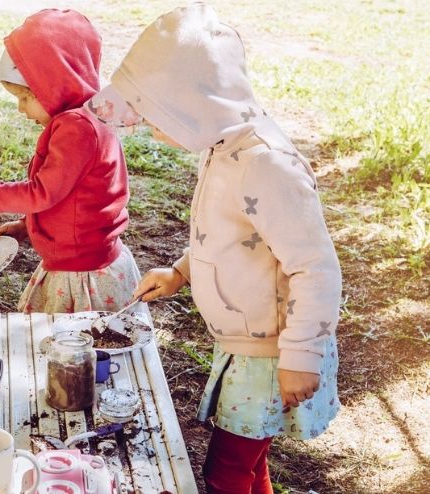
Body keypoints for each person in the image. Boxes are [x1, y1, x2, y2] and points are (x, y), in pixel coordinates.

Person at [85, 4, 342, 493]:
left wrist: (300, 356)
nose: (146, 125)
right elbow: (231, 237)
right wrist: (182, 271)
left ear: (195, 105)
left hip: (273, 350)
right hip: (248, 344)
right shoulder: (223, 145)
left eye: (155, 114)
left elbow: (316, 268)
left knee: (227, 471)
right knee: (249, 461)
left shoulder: (267, 167)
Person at [0, 9, 145, 315]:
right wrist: (29, 225)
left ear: (54, 85)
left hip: (82, 274)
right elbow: (75, 198)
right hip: (82, 259)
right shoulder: (84, 119)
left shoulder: (77, 129)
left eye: (25, 98)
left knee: (74, 348)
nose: (20, 109)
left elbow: (42, 192)